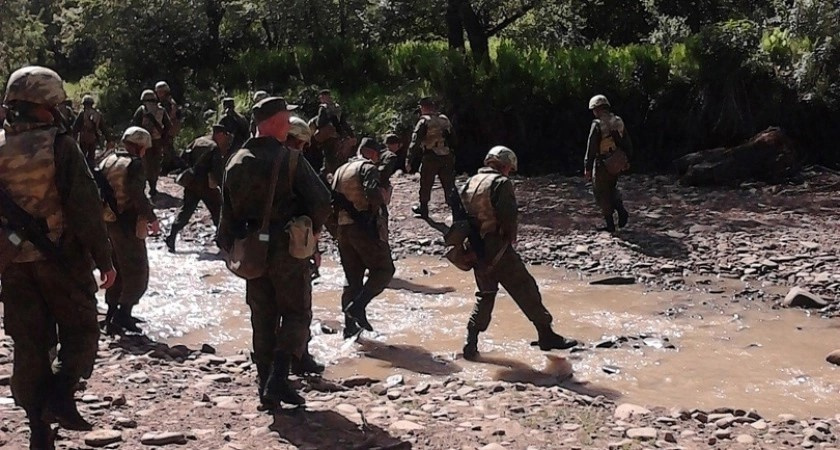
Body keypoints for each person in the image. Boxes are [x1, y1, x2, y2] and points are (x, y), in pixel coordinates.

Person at [0, 66, 116, 449]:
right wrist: (105, 260)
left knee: (30, 344)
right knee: (82, 331)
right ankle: (60, 397)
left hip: (13, 264)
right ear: (46, 104)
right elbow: (85, 210)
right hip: (61, 259)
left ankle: (38, 428)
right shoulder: (60, 145)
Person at [218, 97, 332, 408]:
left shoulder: (235, 160)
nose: (287, 125)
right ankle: (279, 380)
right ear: (275, 122)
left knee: (262, 316)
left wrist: (228, 245)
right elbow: (322, 200)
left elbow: (226, 211)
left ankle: (264, 386)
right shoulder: (290, 158)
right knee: (296, 313)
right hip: (288, 250)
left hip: (252, 250)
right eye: (285, 119)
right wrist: (314, 231)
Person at [457, 146, 578, 360]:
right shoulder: (501, 183)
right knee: (525, 287)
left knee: (485, 294)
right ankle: (546, 335)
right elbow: (508, 215)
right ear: (504, 165)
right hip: (497, 246)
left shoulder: (470, 182)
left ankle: (471, 343)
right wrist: (510, 238)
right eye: (509, 169)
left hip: (474, 248)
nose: (509, 172)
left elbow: (460, 215)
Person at [98, 127, 161, 334]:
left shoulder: (108, 160)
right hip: (128, 224)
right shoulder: (134, 164)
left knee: (116, 269)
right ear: (140, 146)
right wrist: (151, 218)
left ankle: (111, 314)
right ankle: (122, 315)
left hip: (108, 222)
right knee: (137, 271)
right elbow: (137, 194)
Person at [331, 138, 395, 338]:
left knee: (352, 279)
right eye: (377, 154)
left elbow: (331, 199)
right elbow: (371, 192)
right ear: (371, 153)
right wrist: (379, 204)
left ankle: (350, 328)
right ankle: (358, 306)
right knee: (384, 270)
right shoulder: (368, 168)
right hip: (364, 227)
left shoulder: (341, 170)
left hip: (343, 229)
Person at [165, 124, 232, 253]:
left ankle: (171, 236)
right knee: (218, 212)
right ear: (220, 134)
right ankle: (221, 242)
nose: (225, 139)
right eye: (225, 136)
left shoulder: (198, 141)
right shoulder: (214, 148)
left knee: (185, 211)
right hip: (207, 186)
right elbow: (217, 171)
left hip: (192, 184)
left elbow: (183, 157)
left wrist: (188, 172)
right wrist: (223, 186)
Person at [584, 94, 632, 232]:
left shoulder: (597, 124)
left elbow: (591, 147)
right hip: (617, 161)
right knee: (611, 187)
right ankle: (621, 210)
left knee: (600, 192)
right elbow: (627, 142)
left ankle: (610, 224)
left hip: (603, 163)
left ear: (596, 109)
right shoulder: (618, 121)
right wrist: (627, 159)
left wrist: (587, 167)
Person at [407, 97, 456, 218]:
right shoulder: (444, 119)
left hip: (431, 156)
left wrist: (409, 159)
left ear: (423, 107)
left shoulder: (424, 121)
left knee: (426, 183)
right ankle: (456, 211)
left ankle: (423, 210)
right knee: (449, 184)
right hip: (446, 155)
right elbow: (453, 138)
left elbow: (415, 142)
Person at [131, 89, 171, 196]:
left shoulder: (141, 110)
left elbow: (134, 125)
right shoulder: (161, 110)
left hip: (144, 141)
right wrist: (164, 138)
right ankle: (153, 186)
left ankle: (148, 186)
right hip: (157, 141)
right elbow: (168, 126)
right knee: (155, 163)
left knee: (145, 164)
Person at [313, 89, 355, 179]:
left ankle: (322, 179)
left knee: (328, 159)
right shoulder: (337, 107)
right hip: (339, 138)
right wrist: (351, 135)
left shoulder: (323, 108)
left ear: (323, 97)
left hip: (328, 137)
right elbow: (344, 123)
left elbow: (319, 123)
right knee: (340, 158)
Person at [154, 81, 183, 173]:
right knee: (168, 148)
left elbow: (170, 116)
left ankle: (171, 167)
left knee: (167, 148)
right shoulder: (166, 102)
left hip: (169, 128)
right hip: (169, 128)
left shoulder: (168, 103)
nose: (158, 94)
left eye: (160, 92)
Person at [72, 94, 108, 166]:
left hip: (83, 139)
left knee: (82, 158)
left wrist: (73, 139)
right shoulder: (97, 114)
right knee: (91, 157)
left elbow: (75, 128)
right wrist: (109, 139)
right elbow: (103, 128)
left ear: (84, 104)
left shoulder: (82, 114)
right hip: (93, 139)